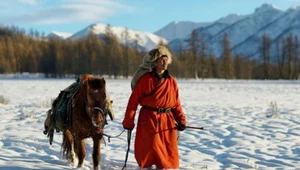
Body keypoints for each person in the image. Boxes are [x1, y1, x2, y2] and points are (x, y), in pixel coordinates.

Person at [122, 46, 187, 169]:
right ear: (155, 63)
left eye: (166, 59)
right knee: (151, 149)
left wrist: (181, 120)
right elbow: (133, 102)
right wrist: (128, 121)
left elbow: (176, 103)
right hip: (149, 119)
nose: (164, 62)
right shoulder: (146, 80)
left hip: (167, 122)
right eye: (161, 60)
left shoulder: (172, 81)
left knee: (168, 151)